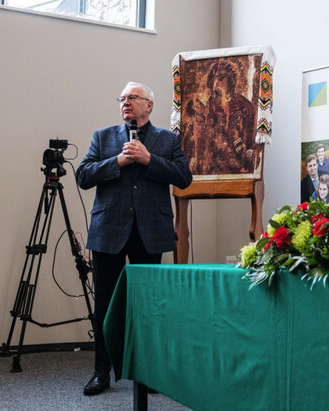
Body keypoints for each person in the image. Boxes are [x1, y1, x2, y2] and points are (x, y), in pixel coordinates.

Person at [76, 81, 193, 395]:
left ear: (149, 105)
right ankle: (102, 371)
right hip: (108, 231)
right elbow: (83, 176)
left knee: (148, 306)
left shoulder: (168, 140)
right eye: (123, 98)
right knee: (105, 305)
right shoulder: (103, 137)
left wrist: (148, 159)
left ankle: (148, 373)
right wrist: (117, 162)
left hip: (149, 232)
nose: (126, 102)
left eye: (133, 98)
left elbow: (184, 177)